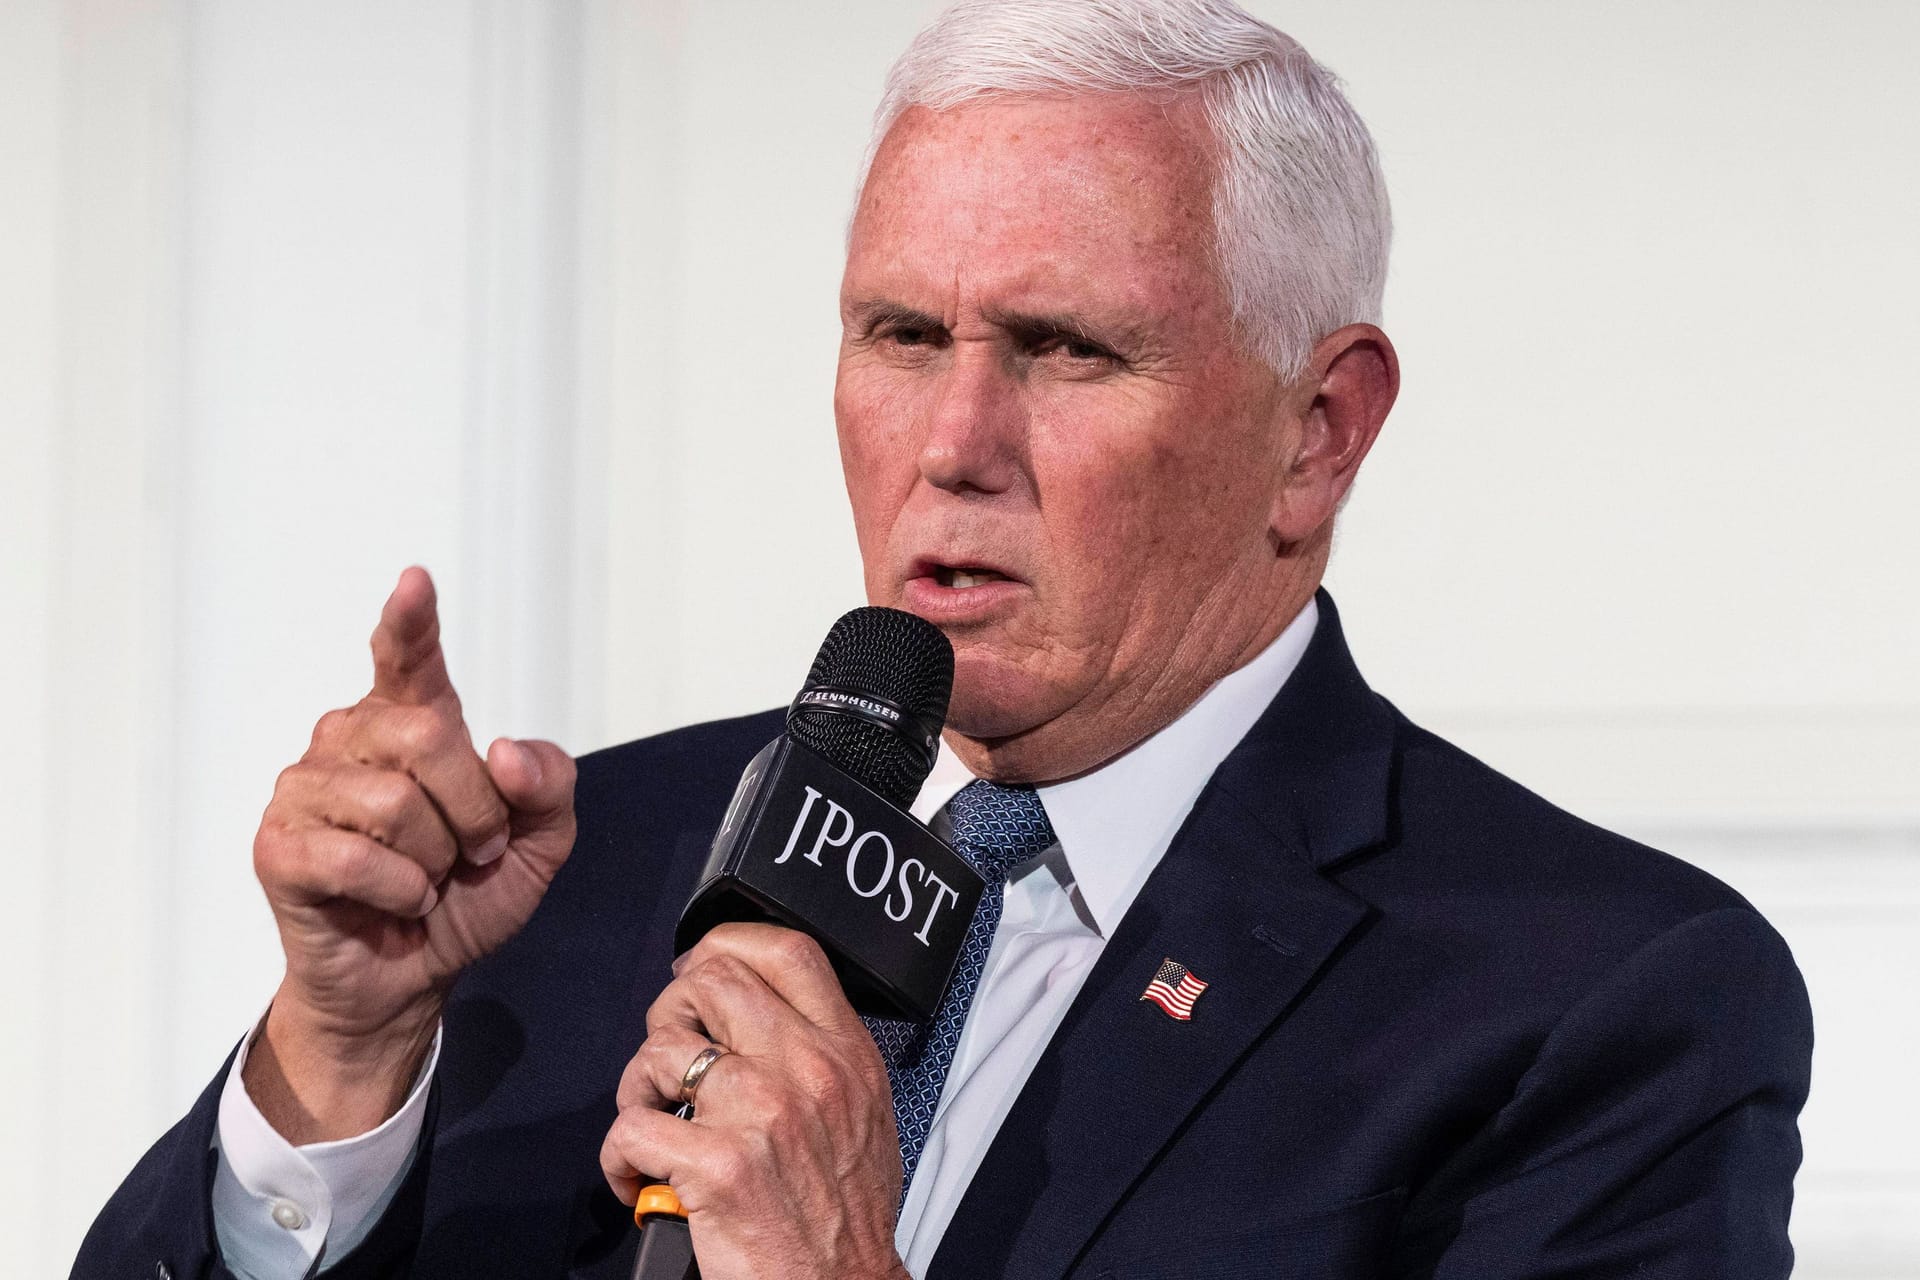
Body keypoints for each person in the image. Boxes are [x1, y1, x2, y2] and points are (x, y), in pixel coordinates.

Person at [75, 1, 1813, 1277]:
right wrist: (339, 1059)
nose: (952, 439)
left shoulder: (1599, 1002)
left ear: (1318, 433)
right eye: (902, 333)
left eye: (1066, 350)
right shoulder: (573, 876)